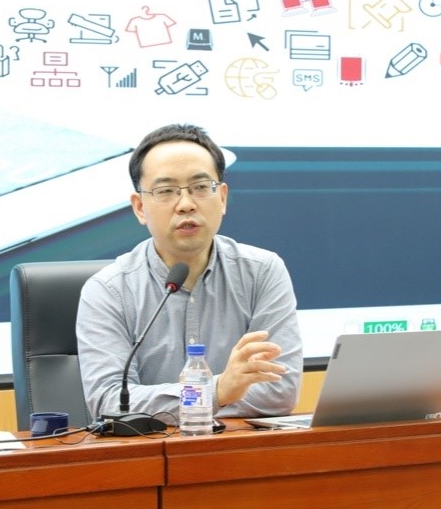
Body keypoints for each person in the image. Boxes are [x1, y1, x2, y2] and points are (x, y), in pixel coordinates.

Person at [76, 123, 302, 421]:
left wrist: (182, 402)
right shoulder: (108, 290)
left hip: (239, 446)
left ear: (222, 198)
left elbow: (279, 390)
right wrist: (218, 391)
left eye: (200, 187)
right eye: (166, 191)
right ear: (140, 207)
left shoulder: (261, 272)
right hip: (150, 448)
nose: (186, 204)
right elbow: (111, 401)